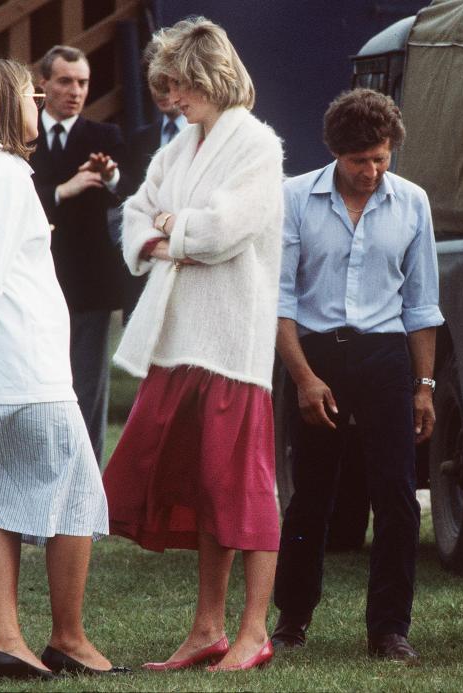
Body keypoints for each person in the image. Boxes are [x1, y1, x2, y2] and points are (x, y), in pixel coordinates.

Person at [0, 59, 123, 679]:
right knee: (78, 494)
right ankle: (68, 637)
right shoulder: (8, 175)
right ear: (8, 104)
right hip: (27, 368)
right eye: (32, 94)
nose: (39, 103)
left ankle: (8, 638)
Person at [100, 16, 283, 672]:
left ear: (207, 75)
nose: (171, 99)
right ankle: (207, 627)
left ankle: (254, 629)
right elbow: (133, 217)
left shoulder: (258, 145)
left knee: (241, 485)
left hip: (233, 342)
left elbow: (225, 231)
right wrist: (166, 232)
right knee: (198, 482)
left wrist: (171, 231)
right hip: (177, 341)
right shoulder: (178, 150)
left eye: (178, 85)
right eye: (166, 87)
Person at [270, 88, 443, 664]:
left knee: (395, 496)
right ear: (334, 153)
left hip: (386, 357)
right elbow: (280, 299)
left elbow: (422, 304)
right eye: (358, 161)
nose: (370, 171)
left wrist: (424, 386)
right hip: (314, 355)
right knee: (311, 495)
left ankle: (390, 629)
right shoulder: (294, 198)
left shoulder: (412, 202)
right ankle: (291, 620)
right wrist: (303, 378)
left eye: (381, 158)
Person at [30, 45, 125, 463]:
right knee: (38, 389)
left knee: (87, 392)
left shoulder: (106, 138)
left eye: (82, 83)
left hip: (89, 287)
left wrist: (112, 177)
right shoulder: (23, 135)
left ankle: (85, 497)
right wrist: (60, 192)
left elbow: (137, 197)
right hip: (35, 283)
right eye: (65, 81)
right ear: (43, 83)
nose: (75, 91)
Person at [118, 47, 188, 323]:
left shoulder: (210, 138)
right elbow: (133, 204)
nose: (161, 91)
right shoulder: (139, 139)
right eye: (153, 82)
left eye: (167, 81)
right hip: (150, 265)